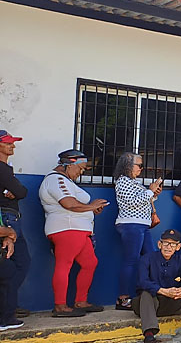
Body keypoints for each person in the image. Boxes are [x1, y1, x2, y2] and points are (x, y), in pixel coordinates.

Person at [39, 149, 107, 317]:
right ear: (69, 164)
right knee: (64, 264)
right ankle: (60, 306)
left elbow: (75, 204)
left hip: (78, 229)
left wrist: (90, 209)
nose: (81, 172)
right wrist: (91, 206)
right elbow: (69, 204)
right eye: (80, 168)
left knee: (90, 263)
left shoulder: (66, 181)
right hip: (67, 228)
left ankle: (81, 301)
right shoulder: (56, 180)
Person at [114, 152, 162, 311]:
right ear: (128, 165)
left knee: (150, 258)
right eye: (139, 165)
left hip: (142, 225)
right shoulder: (122, 181)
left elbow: (143, 200)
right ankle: (123, 298)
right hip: (131, 224)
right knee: (131, 260)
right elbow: (132, 202)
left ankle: (148, 293)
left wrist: (154, 194)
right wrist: (150, 191)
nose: (141, 168)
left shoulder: (134, 182)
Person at [0, 130, 31, 328]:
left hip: (7, 217)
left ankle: (7, 306)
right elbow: (21, 191)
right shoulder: (2, 168)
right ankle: (6, 312)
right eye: (8, 143)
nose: (13, 146)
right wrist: (14, 191)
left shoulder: (6, 168)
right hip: (7, 219)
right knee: (16, 264)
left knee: (11, 265)